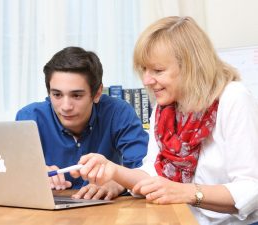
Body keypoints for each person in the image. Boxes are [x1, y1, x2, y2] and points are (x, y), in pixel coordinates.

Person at [71, 16, 258, 224]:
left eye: (158, 71)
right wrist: (114, 170)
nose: (146, 81)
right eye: (144, 69)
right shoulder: (164, 108)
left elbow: (251, 188)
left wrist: (187, 193)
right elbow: (154, 173)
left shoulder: (233, 97)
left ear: (191, 67)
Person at [16, 46, 148, 200]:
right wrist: (32, 174)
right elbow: (11, 173)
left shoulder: (118, 113)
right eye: (57, 94)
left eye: (76, 95)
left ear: (97, 93)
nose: (66, 106)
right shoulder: (29, 117)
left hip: (106, 212)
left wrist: (117, 183)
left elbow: (144, 169)